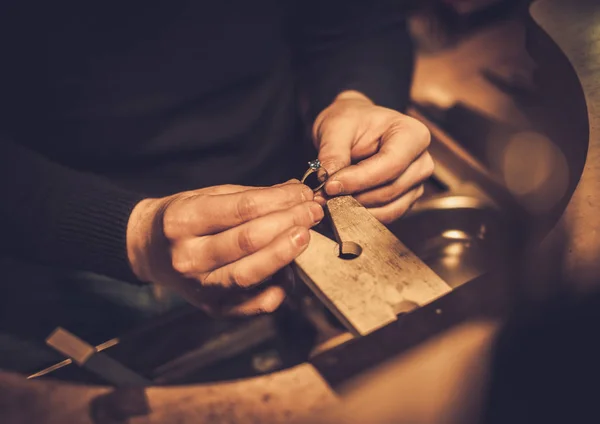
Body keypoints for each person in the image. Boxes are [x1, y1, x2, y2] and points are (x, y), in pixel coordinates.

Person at [0, 0, 433, 370]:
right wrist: (130, 235)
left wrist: (357, 96)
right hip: (64, 259)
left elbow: (359, 20)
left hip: (289, 229)